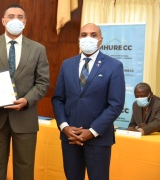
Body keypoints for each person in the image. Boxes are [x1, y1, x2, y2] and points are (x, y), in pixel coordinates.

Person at [0, 4, 50, 180]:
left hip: (25, 118)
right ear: (3, 21)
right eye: (10, 16)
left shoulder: (38, 49)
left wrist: (26, 100)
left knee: (25, 168)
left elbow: (43, 82)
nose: (15, 20)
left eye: (19, 17)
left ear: (25, 22)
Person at [52, 23, 125, 180]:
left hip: (98, 138)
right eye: (84, 35)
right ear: (79, 39)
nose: (88, 38)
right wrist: (64, 127)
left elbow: (116, 105)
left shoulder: (114, 66)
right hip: (70, 137)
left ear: (100, 40)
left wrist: (92, 131)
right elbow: (58, 99)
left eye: (93, 35)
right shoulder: (67, 64)